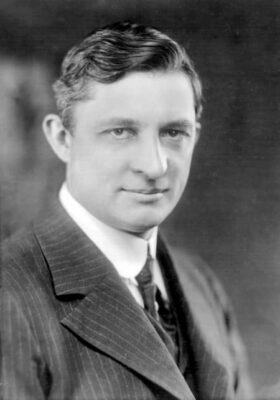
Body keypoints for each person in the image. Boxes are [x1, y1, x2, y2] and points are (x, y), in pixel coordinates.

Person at [1, 21, 253, 400]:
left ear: (195, 136)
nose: (154, 166)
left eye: (173, 133)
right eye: (121, 132)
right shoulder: (10, 295)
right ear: (62, 139)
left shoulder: (200, 284)